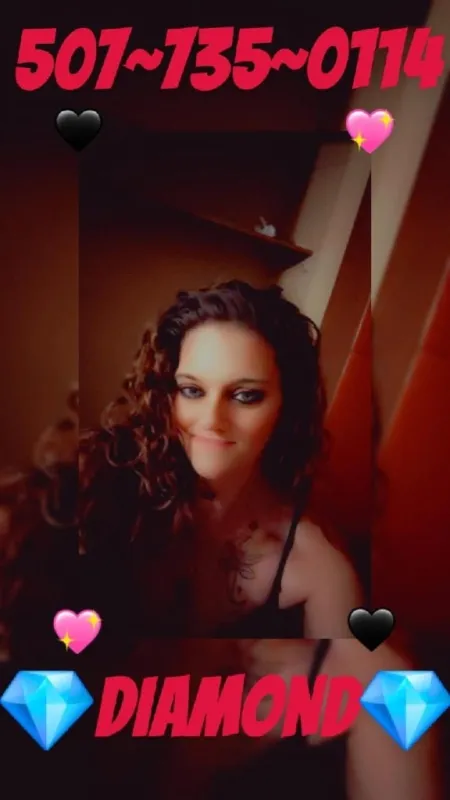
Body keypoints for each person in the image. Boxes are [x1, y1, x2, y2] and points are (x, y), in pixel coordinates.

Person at [0, 280, 442, 798]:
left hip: (215, 748)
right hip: (82, 746)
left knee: (399, 682)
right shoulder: (103, 490)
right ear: (167, 393)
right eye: (192, 390)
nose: (211, 420)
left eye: (246, 395)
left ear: (287, 407)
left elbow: (365, 688)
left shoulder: (313, 560)